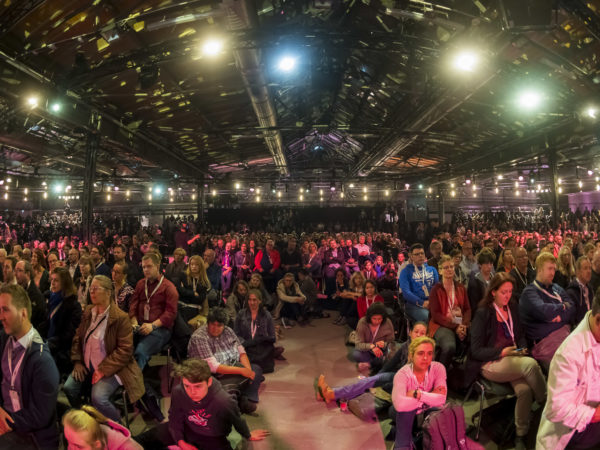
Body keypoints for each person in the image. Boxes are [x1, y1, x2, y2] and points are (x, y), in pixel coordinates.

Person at [469, 272, 546, 450]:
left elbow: (520, 335)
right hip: (491, 362)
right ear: (493, 292)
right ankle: (546, 404)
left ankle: (521, 434)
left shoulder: (512, 307)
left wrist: (522, 348)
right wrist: (502, 352)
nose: (508, 296)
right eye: (504, 292)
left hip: (513, 357)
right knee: (531, 365)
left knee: (524, 391)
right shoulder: (483, 313)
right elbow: (476, 350)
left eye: (510, 291)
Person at [135, 358, 269, 450]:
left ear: (209, 382)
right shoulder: (178, 391)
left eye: (198, 386)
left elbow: (237, 420)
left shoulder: (224, 401)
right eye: (187, 386)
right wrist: (181, 442)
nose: (191, 392)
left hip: (212, 437)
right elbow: (175, 418)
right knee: (139, 441)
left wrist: (248, 435)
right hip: (186, 427)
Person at [64, 275, 145, 422]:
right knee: (69, 388)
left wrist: (102, 370)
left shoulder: (120, 318)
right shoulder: (89, 311)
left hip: (112, 368)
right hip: (86, 365)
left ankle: (117, 425)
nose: (91, 292)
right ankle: (87, 416)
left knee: (98, 398)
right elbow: (78, 338)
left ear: (108, 292)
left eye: (96, 288)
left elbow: (125, 351)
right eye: (90, 288)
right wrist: (77, 361)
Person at [536, 292, 600, 449]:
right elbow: (556, 409)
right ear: (598, 319)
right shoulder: (568, 354)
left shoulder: (596, 331)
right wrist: (595, 414)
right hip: (571, 431)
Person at [0, 284, 60, 449]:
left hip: (31, 434)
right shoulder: (4, 340)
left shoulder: (42, 361)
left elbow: (40, 416)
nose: (1, 316)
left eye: (5, 310)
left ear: (23, 313)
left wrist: (6, 422)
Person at [316, 322, 427, 404]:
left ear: (426, 336)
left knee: (372, 382)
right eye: (416, 332)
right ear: (410, 333)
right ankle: (330, 393)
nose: (418, 335)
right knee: (369, 382)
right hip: (397, 378)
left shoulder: (426, 351)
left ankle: (331, 394)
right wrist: (377, 377)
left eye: (422, 333)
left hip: (409, 386)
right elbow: (391, 364)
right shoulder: (406, 345)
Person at [187, 308, 264, 414]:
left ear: (224, 325)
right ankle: (237, 399)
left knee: (256, 370)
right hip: (209, 374)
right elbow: (213, 367)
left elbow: (241, 351)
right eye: (212, 324)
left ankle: (244, 398)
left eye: (219, 325)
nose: (215, 328)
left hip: (230, 367)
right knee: (226, 389)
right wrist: (242, 371)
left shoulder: (228, 331)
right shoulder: (199, 337)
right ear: (208, 323)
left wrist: (248, 370)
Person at [519, 252, 575, 370]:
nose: (553, 273)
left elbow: (572, 308)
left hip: (566, 336)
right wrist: (562, 307)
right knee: (569, 368)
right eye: (549, 269)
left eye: (554, 269)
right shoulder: (529, 292)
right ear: (539, 270)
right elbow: (544, 311)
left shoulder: (556, 288)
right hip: (545, 344)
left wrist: (558, 317)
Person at [391, 336, 447, 450]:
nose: (425, 358)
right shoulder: (402, 374)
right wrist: (431, 396)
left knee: (441, 417)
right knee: (404, 411)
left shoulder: (438, 368)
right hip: (406, 412)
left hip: (427, 410)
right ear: (411, 356)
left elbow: (442, 398)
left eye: (429, 353)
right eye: (420, 353)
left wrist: (417, 394)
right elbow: (400, 404)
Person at [128, 252, 178, 371]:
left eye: (149, 266)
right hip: (139, 325)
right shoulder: (141, 284)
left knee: (140, 352)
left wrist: (152, 326)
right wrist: (133, 321)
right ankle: (122, 377)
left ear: (157, 266)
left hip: (160, 329)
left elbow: (170, 314)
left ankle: (134, 382)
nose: (146, 270)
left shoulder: (169, 287)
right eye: (144, 267)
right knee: (120, 345)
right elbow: (133, 305)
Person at [428, 255, 471, 368]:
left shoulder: (460, 287)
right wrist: (455, 327)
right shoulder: (435, 290)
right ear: (440, 271)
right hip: (440, 324)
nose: (449, 269)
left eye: (451, 267)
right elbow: (436, 315)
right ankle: (439, 372)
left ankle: (464, 371)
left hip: (459, 322)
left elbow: (467, 309)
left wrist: (464, 325)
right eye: (446, 267)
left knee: (477, 338)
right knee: (449, 346)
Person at [41, 267, 82, 375]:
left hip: (62, 350)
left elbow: (69, 334)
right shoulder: (52, 298)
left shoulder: (73, 305)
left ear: (65, 283)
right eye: (52, 280)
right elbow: (46, 324)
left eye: (56, 280)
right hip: (49, 344)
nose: (52, 283)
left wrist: (49, 344)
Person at [234, 289, 277, 373]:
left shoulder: (266, 315)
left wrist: (261, 340)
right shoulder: (241, 314)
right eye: (250, 300)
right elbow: (236, 334)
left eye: (254, 300)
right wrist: (245, 343)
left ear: (260, 301)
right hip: (246, 346)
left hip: (261, 347)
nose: (252, 303)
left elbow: (272, 337)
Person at [63, 405, 142, 450]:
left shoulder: (126, 446)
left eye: (79, 447)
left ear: (97, 444)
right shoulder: (88, 437)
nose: (70, 448)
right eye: (68, 441)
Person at [399, 244, 439, 323]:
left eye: (422, 253)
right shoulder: (405, 271)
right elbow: (406, 293)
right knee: (428, 317)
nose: (420, 256)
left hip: (432, 302)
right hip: (414, 305)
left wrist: (432, 302)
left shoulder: (432, 270)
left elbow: (437, 288)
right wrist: (422, 302)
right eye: (417, 254)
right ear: (411, 256)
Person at [353, 303, 395, 371]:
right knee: (357, 354)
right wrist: (372, 346)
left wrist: (384, 344)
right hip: (367, 349)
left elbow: (391, 341)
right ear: (369, 317)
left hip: (381, 350)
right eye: (374, 318)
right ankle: (374, 363)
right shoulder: (362, 322)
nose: (377, 321)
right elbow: (358, 344)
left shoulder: (387, 322)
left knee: (388, 355)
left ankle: (368, 364)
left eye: (380, 319)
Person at [176, 255, 210, 329]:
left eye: (196, 264)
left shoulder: (203, 282)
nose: (194, 266)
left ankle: (186, 334)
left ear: (201, 266)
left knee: (180, 315)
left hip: (193, 307)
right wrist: (192, 293)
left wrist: (185, 292)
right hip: (180, 303)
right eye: (192, 264)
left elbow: (200, 300)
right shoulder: (183, 275)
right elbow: (179, 290)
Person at [14, 260, 46, 329]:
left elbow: (34, 321)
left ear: (28, 274)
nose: (15, 274)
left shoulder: (36, 295)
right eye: (15, 270)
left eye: (19, 270)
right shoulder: (17, 290)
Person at [566, 256, 594, 325]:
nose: (589, 271)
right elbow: (572, 321)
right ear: (578, 272)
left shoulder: (590, 289)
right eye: (585, 268)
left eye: (590, 268)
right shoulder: (571, 293)